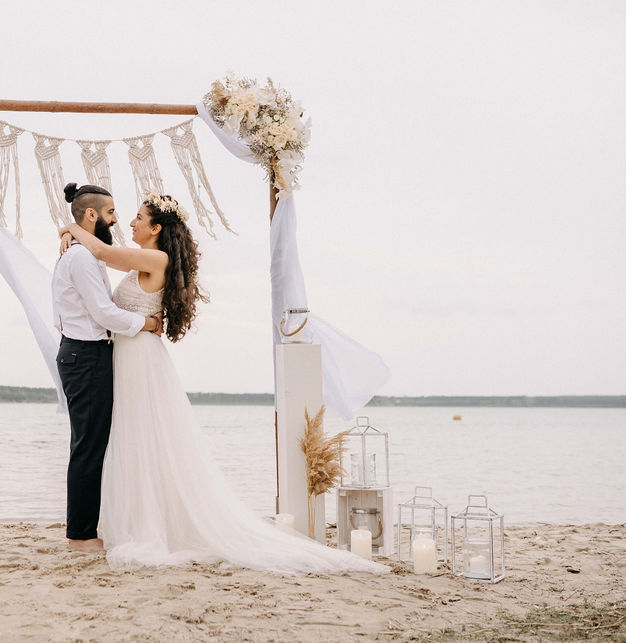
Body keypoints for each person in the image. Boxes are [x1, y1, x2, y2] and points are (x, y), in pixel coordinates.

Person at [59, 188, 387, 575]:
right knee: (133, 439)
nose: (129, 221)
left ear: (156, 228)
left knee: (146, 437)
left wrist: (67, 228)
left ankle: (146, 524)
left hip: (140, 359)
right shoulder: (144, 259)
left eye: (137, 217)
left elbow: (102, 253)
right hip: (128, 355)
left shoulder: (155, 257)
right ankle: (131, 520)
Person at [51, 183, 163, 553]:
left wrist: (67, 230)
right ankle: (81, 537)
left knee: (92, 444)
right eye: (112, 212)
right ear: (92, 215)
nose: (117, 219)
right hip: (85, 355)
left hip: (87, 354)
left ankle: (86, 530)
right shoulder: (82, 256)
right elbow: (103, 312)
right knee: (88, 447)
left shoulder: (86, 252)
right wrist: (145, 324)